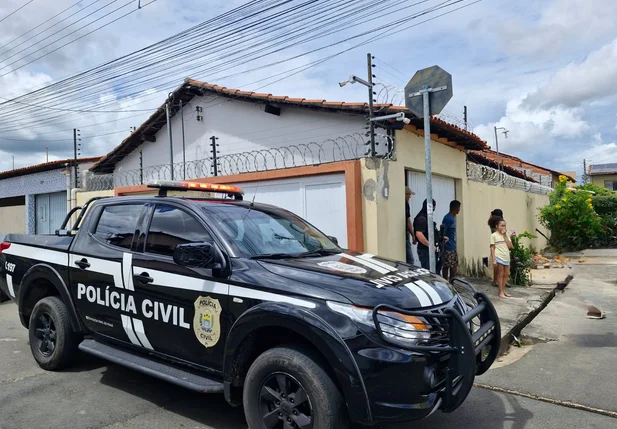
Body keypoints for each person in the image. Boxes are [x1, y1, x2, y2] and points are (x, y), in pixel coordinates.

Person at [414, 199, 447, 272]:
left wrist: (440, 237)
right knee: (429, 274)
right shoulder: (422, 219)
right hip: (426, 251)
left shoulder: (426, 217)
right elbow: (419, 234)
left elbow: (429, 232)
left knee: (435, 272)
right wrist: (430, 245)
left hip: (429, 251)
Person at [490, 217, 514, 298]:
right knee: (500, 274)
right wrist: (493, 259)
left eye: (505, 226)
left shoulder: (506, 235)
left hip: (506, 256)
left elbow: (510, 247)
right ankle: (500, 292)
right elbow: (492, 248)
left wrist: (505, 236)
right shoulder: (493, 235)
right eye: (502, 226)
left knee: (507, 274)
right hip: (498, 256)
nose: (504, 227)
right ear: (497, 226)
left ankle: (503, 291)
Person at [488, 209, 510, 288]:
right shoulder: (495, 225)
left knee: (498, 267)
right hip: (498, 247)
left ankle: (496, 280)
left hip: (500, 247)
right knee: (499, 268)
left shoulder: (496, 223)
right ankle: (498, 281)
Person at [442, 200, 461, 282]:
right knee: (448, 266)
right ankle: (448, 283)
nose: (459, 210)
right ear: (456, 208)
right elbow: (443, 231)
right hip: (448, 247)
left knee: (454, 266)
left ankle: (451, 283)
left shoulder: (452, 218)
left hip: (452, 245)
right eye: (459, 208)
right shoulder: (448, 218)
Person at [405, 186, 417, 265]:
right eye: (409, 194)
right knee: (410, 260)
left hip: (405, 235)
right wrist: (413, 235)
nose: (410, 196)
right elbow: (408, 220)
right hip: (405, 235)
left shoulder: (405, 203)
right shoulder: (405, 204)